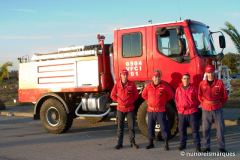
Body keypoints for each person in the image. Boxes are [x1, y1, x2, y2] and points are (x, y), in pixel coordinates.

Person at [198, 65, 228, 153]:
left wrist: (218, 102)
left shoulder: (219, 83)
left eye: (211, 72)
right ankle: (206, 147)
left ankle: (221, 147)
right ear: (206, 73)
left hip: (217, 108)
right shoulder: (202, 84)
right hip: (206, 108)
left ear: (214, 73)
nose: (210, 74)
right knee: (205, 129)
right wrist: (205, 103)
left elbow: (224, 96)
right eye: (208, 73)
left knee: (220, 128)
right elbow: (199, 96)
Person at [142, 70, 174, 150]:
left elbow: (170, 95)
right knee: (150, 127)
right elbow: (144, 95)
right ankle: (150, 143)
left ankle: (166, 144)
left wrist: (163, 101)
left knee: (164, 127)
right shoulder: (148, 86)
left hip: (161, 110)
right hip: (151, 111)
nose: (157, 78)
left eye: (158, 77)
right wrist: (150, 101)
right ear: (152, 78)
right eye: (155, 77)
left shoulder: (164, 86)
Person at [110, 69, 139, 150]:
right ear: (121, 76)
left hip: (130, 108)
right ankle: (119, 143)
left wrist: (131, 101)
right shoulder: (117, 85)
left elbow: (136, 95)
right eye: (124, 75)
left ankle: (132, 142)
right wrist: (118, 100)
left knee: (131, 127)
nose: (125, 76)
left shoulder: (131, 84)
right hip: (120, 108)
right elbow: (112, 95)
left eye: (126, 75)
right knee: (120, 127)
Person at [175, 72, 201, 152]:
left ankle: (197, 145)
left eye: (187, 78)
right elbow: (176, 100)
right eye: (184, 78)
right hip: (182, 112)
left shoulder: (193, 89)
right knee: (182, 129)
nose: (186, 80)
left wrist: (192, 106)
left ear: (189, 79)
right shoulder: (178, 89)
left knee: (194, 129)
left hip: (192, 111)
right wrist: (180, 106)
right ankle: (182, 144)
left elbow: (198, 100)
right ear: (182, 80)